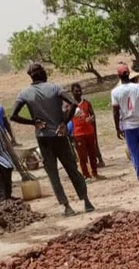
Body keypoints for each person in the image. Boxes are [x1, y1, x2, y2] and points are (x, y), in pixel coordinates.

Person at [11, 63, 93, 217]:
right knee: (72, 169)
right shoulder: (55, 88)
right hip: (60, 135)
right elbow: (73, 103)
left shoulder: (24, 93)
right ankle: (86, 201)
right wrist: (64, 123)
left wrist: (33, 122)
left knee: (53, 173)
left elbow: (13, 115)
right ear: (43, 73)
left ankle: (67, 206)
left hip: (43, 138)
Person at [70, 83, 103, 181]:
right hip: (78, 133)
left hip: (89, 132)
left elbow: (93, 115)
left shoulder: (87, 103)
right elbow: (67, 117)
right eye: (76, 91)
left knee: (92, 154)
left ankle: (95, 173)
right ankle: (86, 175)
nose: (79, 93)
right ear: (72, 92)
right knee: (82, 156)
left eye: (80, 90)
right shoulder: (71, 105)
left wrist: (91, 118)